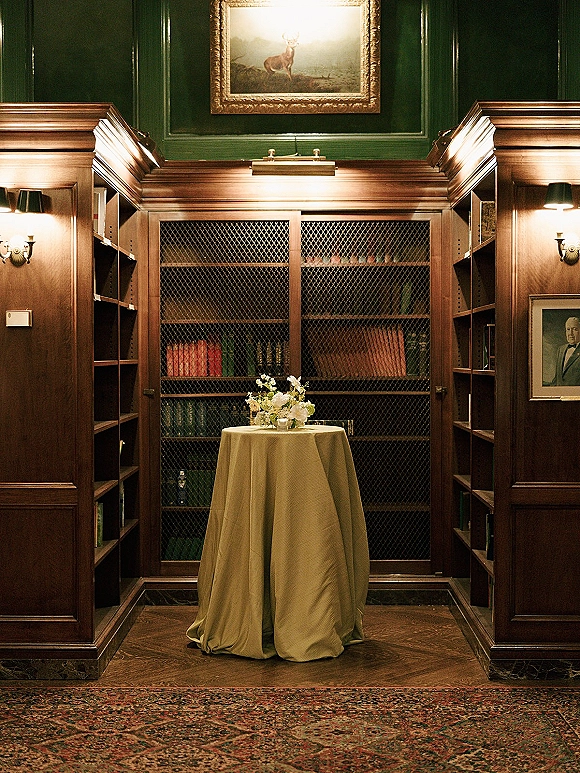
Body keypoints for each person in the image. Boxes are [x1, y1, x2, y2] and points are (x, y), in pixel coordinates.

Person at [551, 316, 580, 386]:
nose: (570, 333)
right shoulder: (561, 349)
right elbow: (557, 379)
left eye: (575, 329)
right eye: (568, 329)